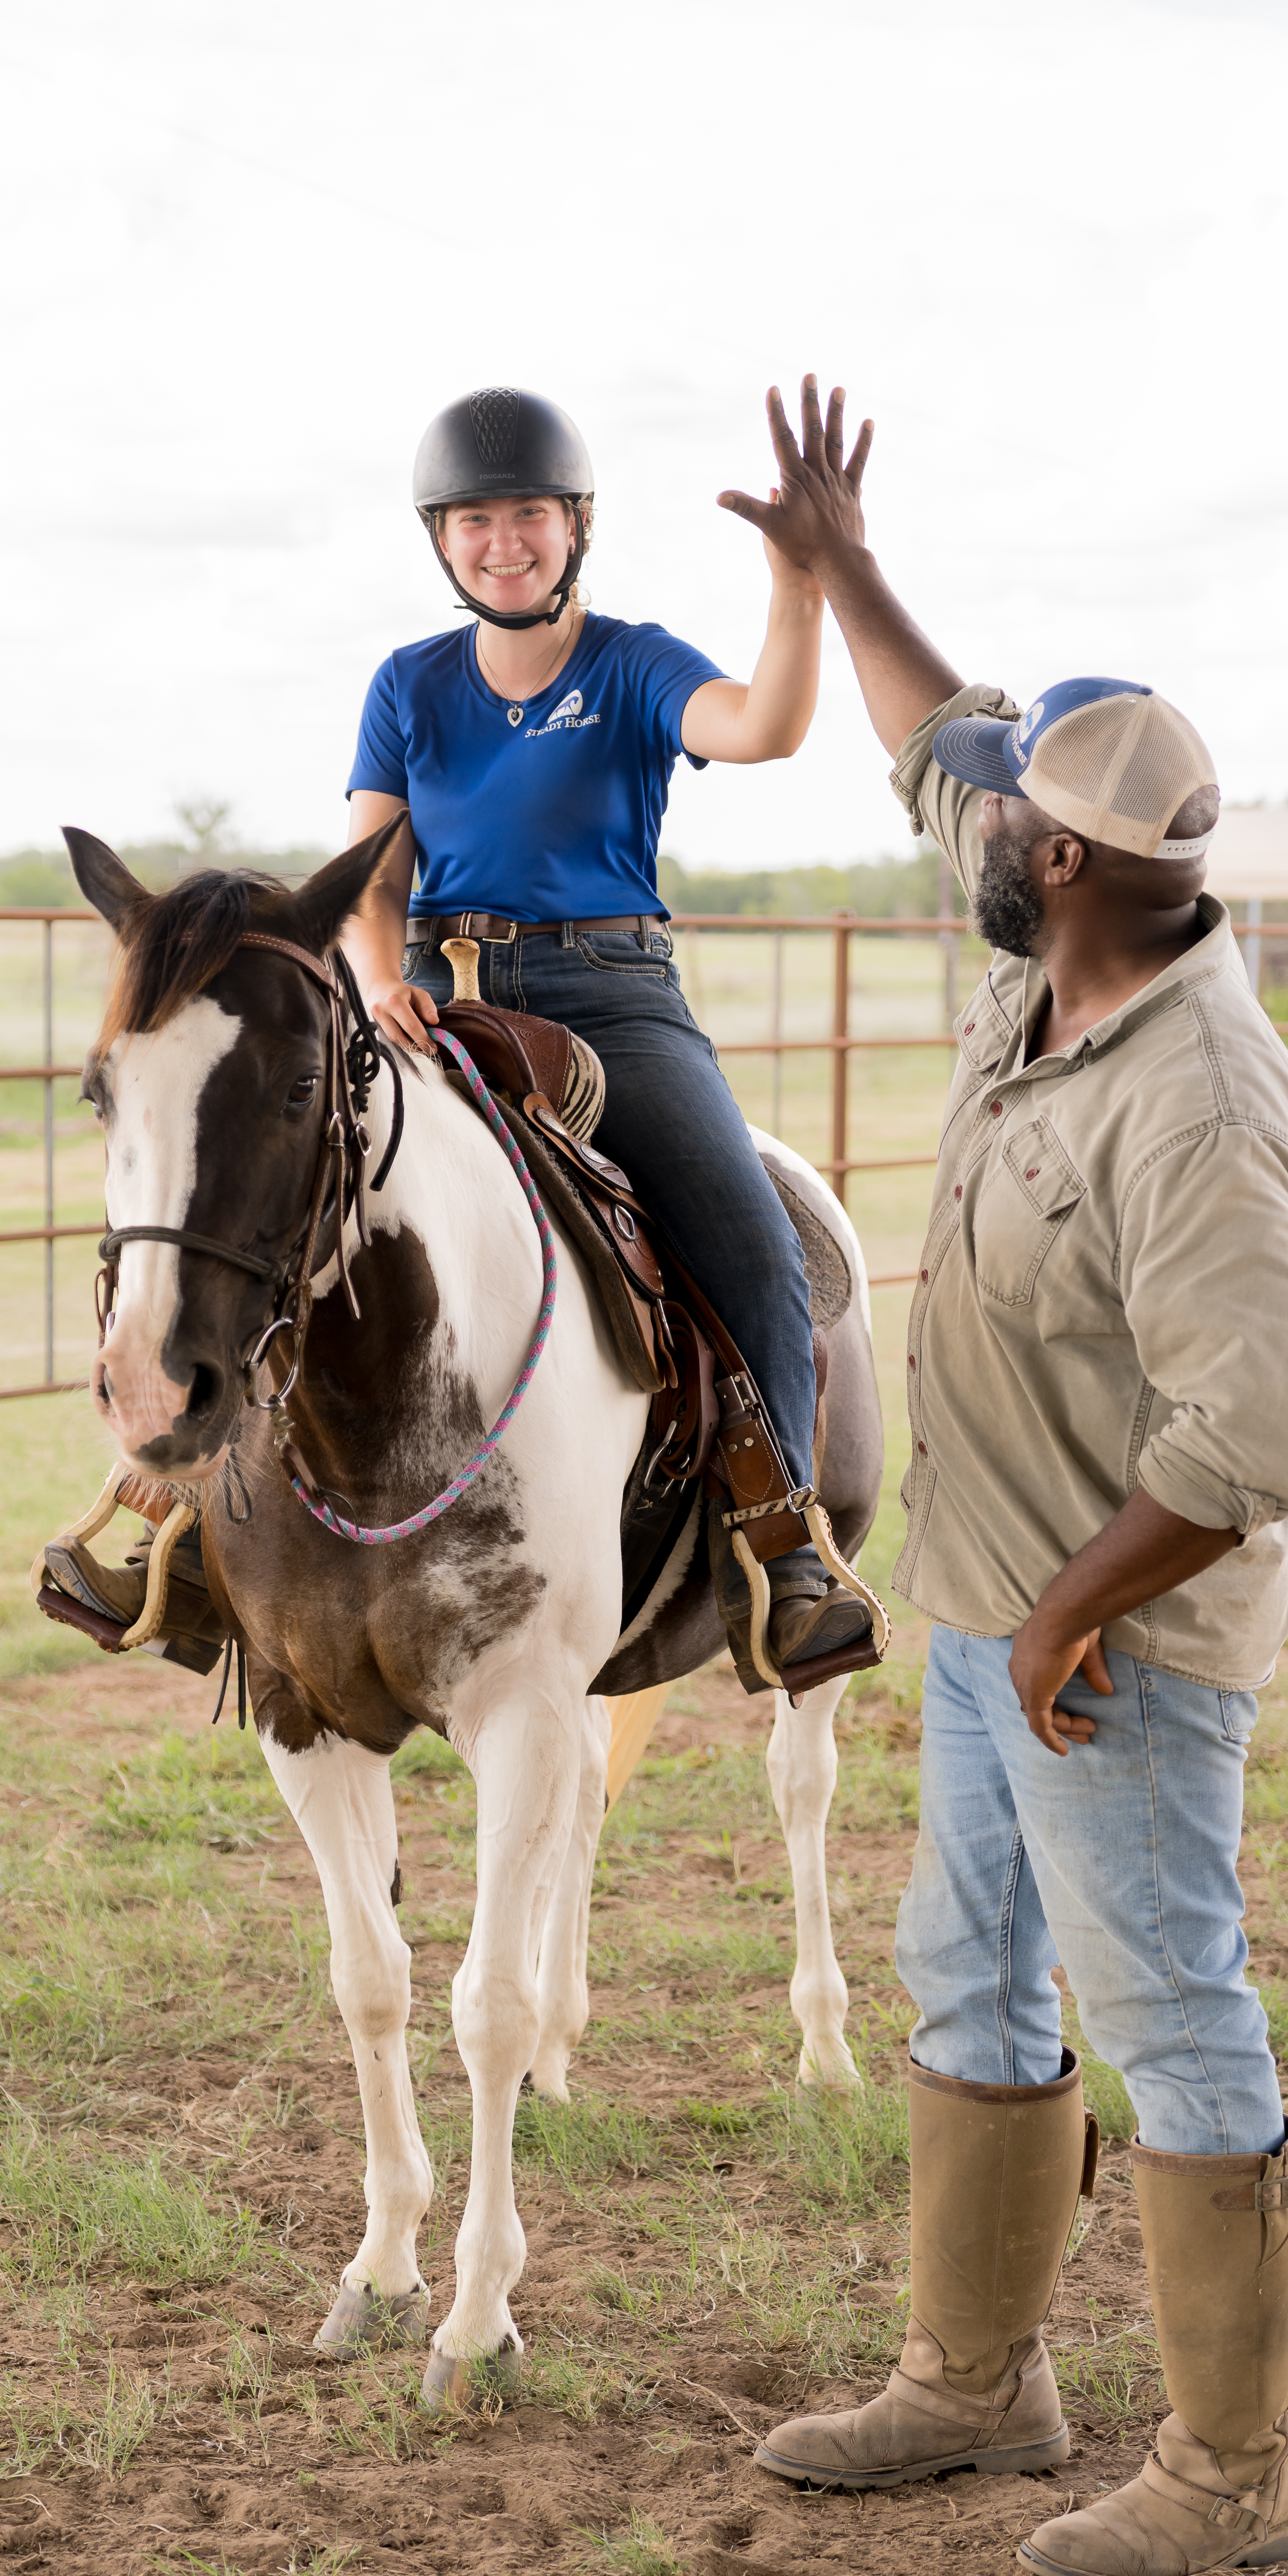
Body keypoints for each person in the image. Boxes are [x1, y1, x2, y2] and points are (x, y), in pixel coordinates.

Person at [730, 383, 1288, 2576]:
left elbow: (1244, 1444)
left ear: (1062, 864)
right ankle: (977, 2379)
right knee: (961, 1967)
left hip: (1112, 1653)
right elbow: (938, 736)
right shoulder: (1061, 956)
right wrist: (838, 561)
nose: (961, 829)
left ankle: (1236, 2468)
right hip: (992, 1613)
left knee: (1165, 1997)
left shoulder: (1196, 1107)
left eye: (999, 825)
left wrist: (1070, 1615)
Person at [338, 384, 872, 1674]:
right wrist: (371, 982)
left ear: (574, 525)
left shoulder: (631, 665)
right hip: (432, 997)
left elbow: (762, 727)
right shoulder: (406, 684)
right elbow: (369, 877)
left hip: (607, 997)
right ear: (439, 538)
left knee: (748, 1237)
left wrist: (795, 586)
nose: (500, 540)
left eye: (525, 513)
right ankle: (181, 1511)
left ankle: (780, 1536)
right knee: (267, 1183)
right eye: (471, 519)